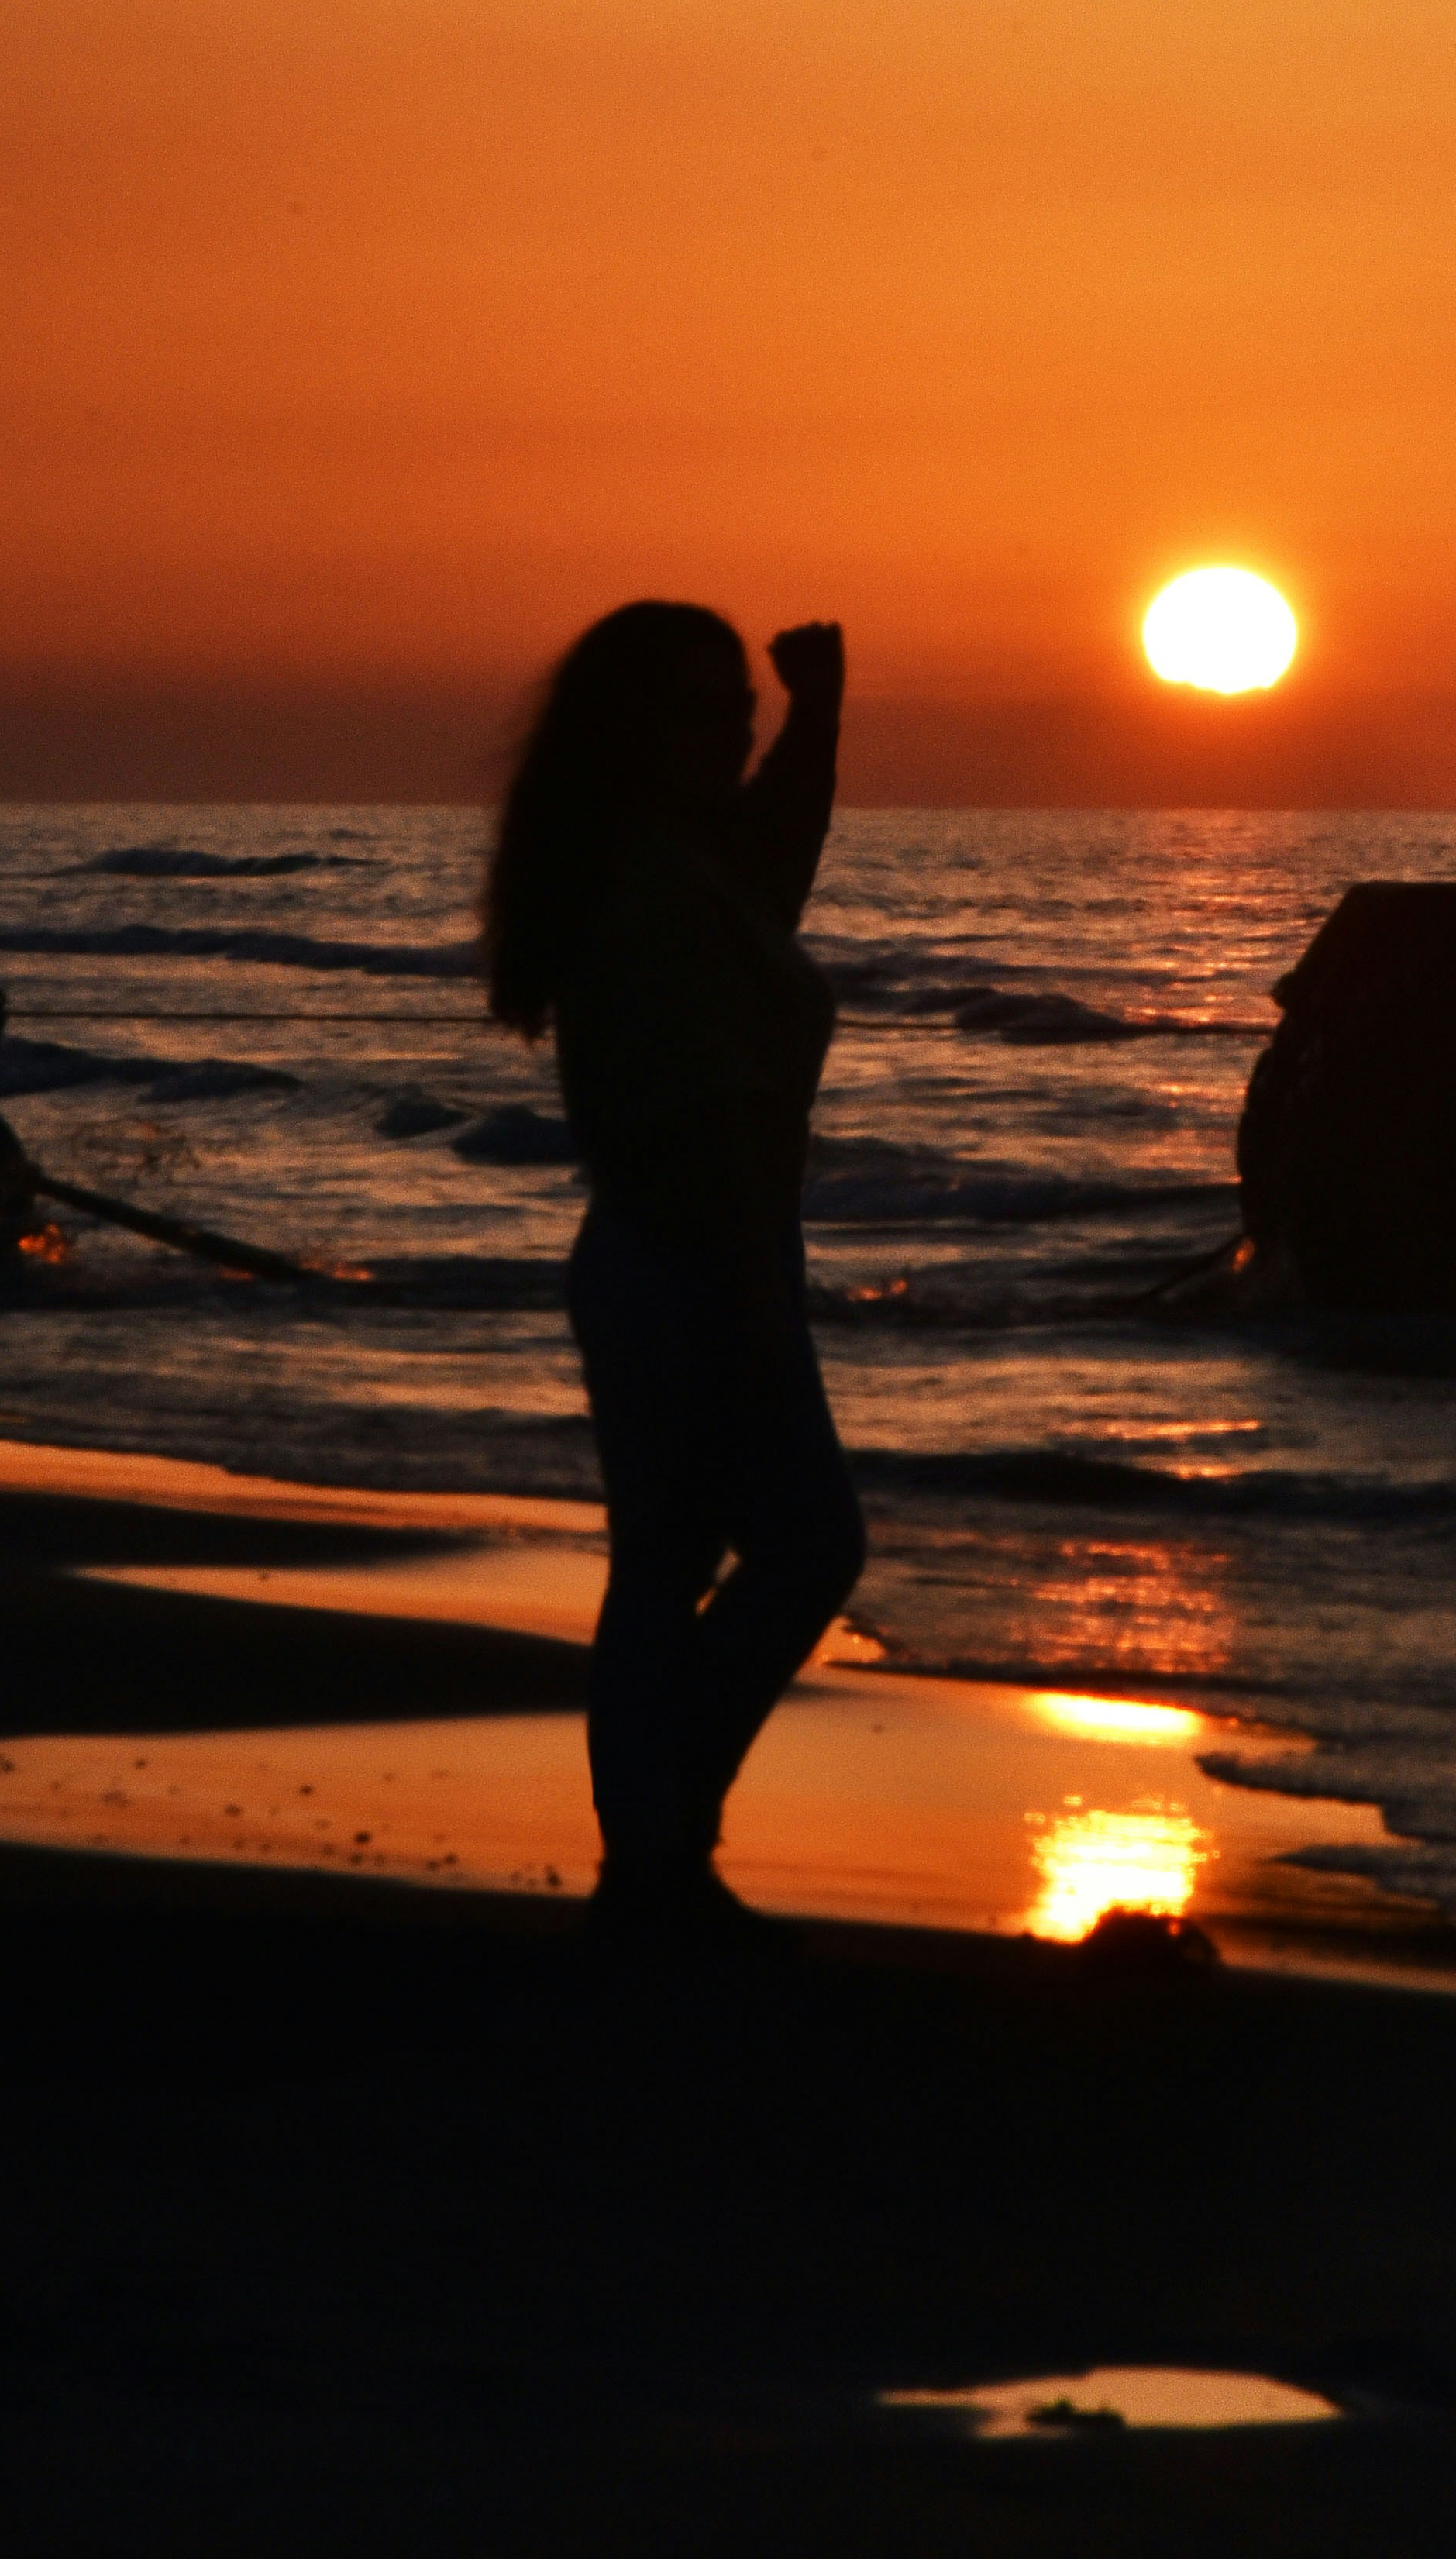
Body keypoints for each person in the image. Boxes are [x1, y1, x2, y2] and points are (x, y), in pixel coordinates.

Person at [484, 600, 864, 1942]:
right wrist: (755, 1303)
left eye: (735, 712)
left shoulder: (678, 859)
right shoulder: (647, 882)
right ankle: (658, 1831)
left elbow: (777, 855)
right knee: (802, 1541)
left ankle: (656, 1843)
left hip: (678, 1250)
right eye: (701, 711)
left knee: (672, 1555)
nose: (728, 731)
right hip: (689, 1252)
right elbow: (703, 1122)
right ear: (633, 728)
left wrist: (814, 711)